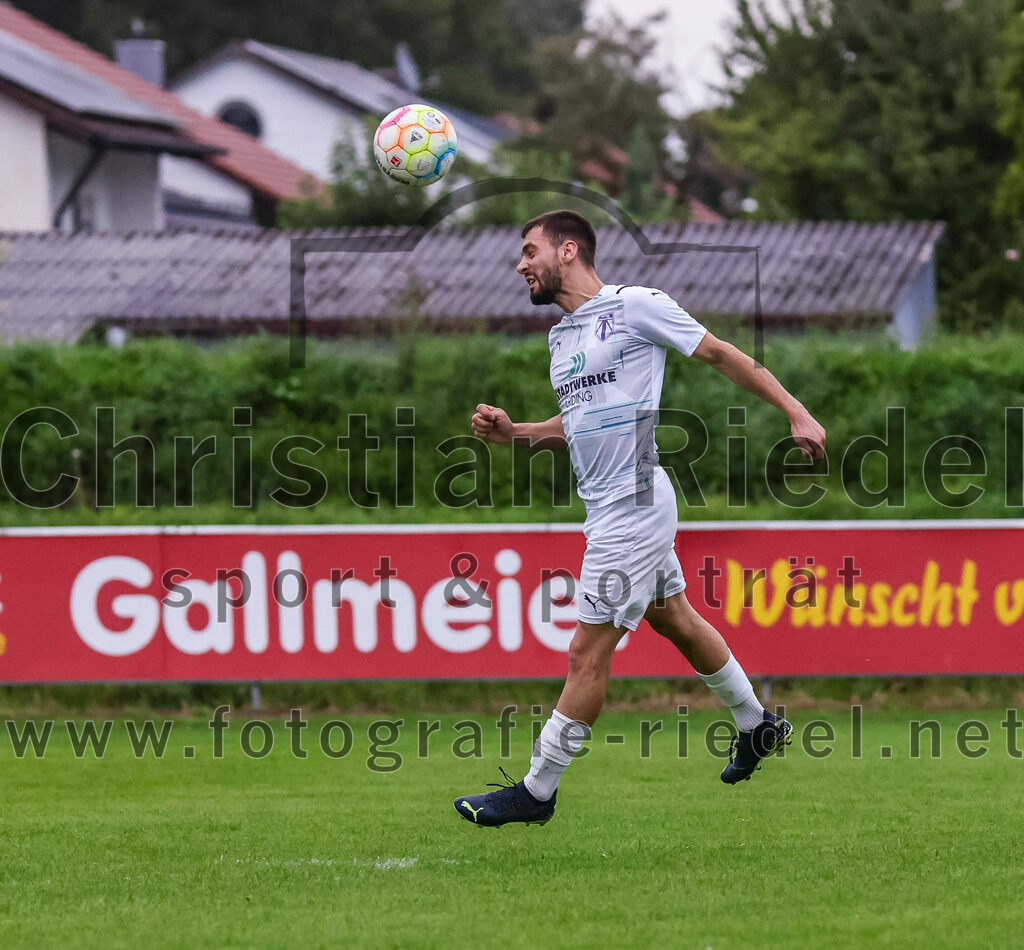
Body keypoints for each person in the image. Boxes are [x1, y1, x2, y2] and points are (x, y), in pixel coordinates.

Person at [453, 210, 826, 828]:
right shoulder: (561, 339)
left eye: (529, 251)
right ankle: (756, 723)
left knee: (586, 651)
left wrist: (796, 411)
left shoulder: (635, 307)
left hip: (634, 503)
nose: (521, 265)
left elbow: (718, 353)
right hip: (608, 507)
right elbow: (574, 428)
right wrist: (516, 432)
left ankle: (536, 791)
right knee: (674, 618)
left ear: (568, 250)